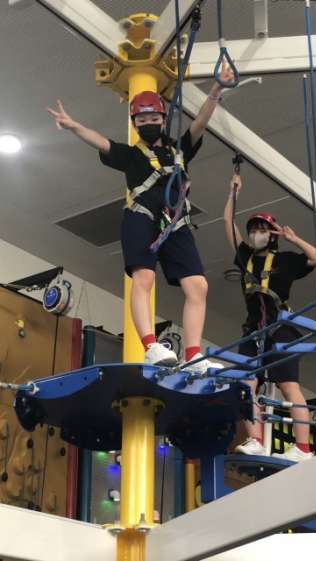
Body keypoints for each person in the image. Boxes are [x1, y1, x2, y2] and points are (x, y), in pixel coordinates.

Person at [47, 65, 234, 372]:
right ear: (134, 123)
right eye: (142, 120)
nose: (148, 124)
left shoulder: (179, 150)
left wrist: (216, 90)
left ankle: (193, 356)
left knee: (198, 286)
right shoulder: (131, 156)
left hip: (174, 222)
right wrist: (73, 126)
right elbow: (101, 142)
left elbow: (200, 122)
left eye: (153, 119)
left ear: (163, 119)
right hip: (141, 218)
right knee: (144, 278)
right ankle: (150, 346)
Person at [223, 173, 316, 462]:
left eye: (263, 229)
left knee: (289, 385)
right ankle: (255, 439)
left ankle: (303, 448)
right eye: (254, 229)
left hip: (281, 328)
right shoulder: (245, 257)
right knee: (245, 385)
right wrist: (233, 193)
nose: (257, 233)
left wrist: (293, 238)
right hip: (253, 331)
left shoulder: (286, 259)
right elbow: (228, 223)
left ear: (272, 234)